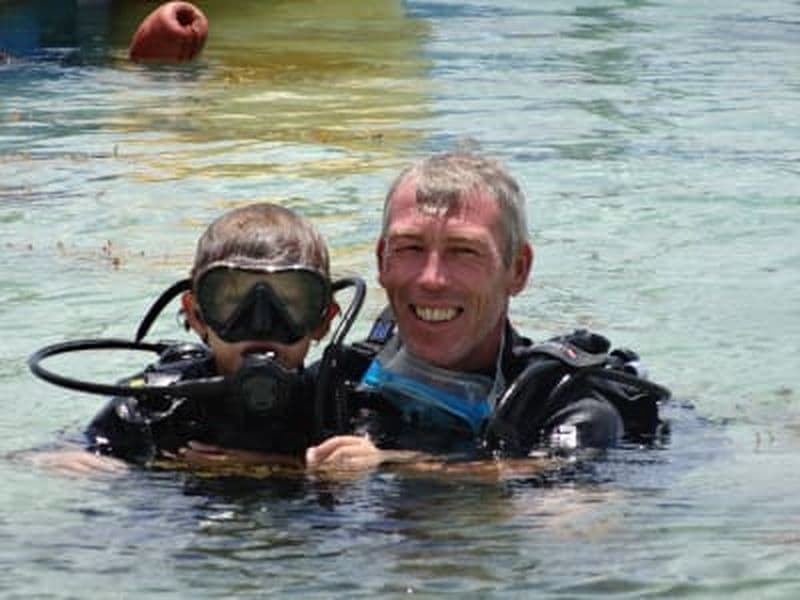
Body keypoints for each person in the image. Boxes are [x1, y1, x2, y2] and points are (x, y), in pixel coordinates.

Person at [305, 151, 669, 469]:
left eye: (464, 251)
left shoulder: (564, 405)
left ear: (518, 269)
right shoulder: (337, 385)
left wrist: (397, 465)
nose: (432, 279)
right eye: (410, 248)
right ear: (381, 262)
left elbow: (570, 522)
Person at [32, 202, 341, 474]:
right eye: (233, 303)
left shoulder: (339, 406)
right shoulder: (159, 404)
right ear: (196, 315)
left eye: (288, 305)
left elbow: (380, 470)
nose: (261, 323)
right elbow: (49, 454)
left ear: (322, 320)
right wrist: (70, 460)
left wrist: (270, 467)